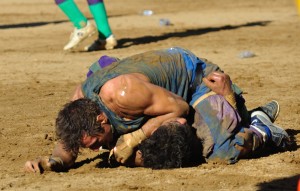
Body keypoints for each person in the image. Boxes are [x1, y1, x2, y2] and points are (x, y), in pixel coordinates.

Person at [24, 47, 290, 173]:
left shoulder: (124, 93)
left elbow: (180, 107)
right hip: (156, 98)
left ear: (102, 118)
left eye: (95, 143)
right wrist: (51, 162)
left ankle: (260, 126)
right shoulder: (80, 106)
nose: (95, 150)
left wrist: (135, 137)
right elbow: (66, 148)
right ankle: (235, 119)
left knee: (219, 151)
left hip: (193, 83)